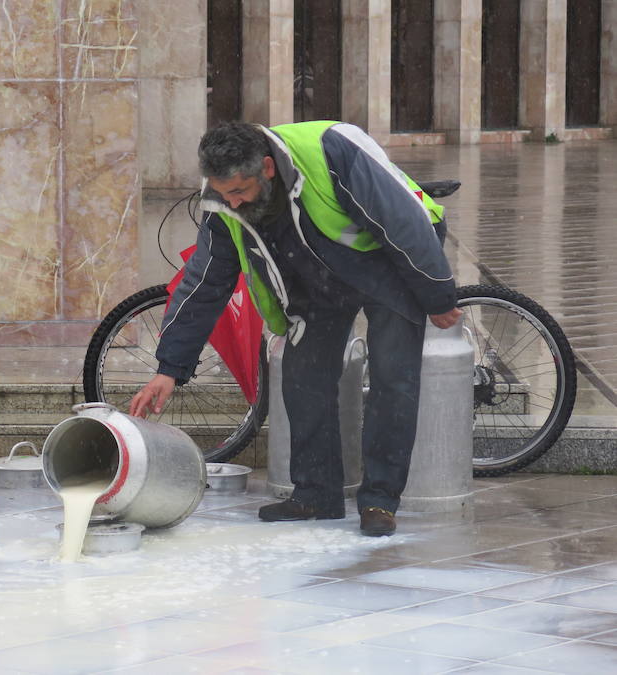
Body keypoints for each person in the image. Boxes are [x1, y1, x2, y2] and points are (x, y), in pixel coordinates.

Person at [129, 121, 462, 536]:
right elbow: (204, 283)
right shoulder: (224, 201)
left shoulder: (331, 152)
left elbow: (402, 225)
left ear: (267, 168)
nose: (230, 202)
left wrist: (437, 295)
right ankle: (316, 494)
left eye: (238, 192)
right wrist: (169, 368)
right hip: (319, 276)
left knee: (393, 378)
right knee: (304, 376)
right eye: (222, 192)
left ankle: (379, 500)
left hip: (389, 263)